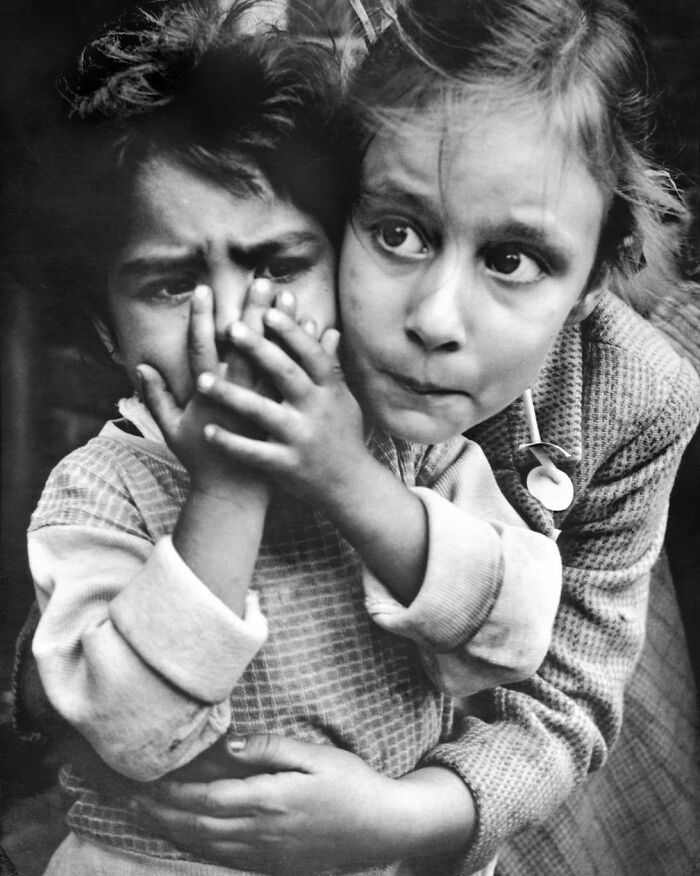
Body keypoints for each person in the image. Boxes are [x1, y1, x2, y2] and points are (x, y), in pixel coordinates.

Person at [116, 0, 700, 874]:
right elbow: (114, 523)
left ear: (591, 280)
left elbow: (569, 707)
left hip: (501, 758)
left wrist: (398, 820)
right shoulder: (284, 327)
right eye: (397, 232)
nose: (433, 319)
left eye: (511, 258)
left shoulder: (637, 399)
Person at [23, 2, 562, 874]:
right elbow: (127, 731)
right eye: (172, 285)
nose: (237, 321)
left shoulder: (406, 450)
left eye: (278, 266)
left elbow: (514, 636)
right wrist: (224, 491)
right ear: (106, 333)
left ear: (345, 277)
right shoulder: (99, 494)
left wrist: (349, 478)